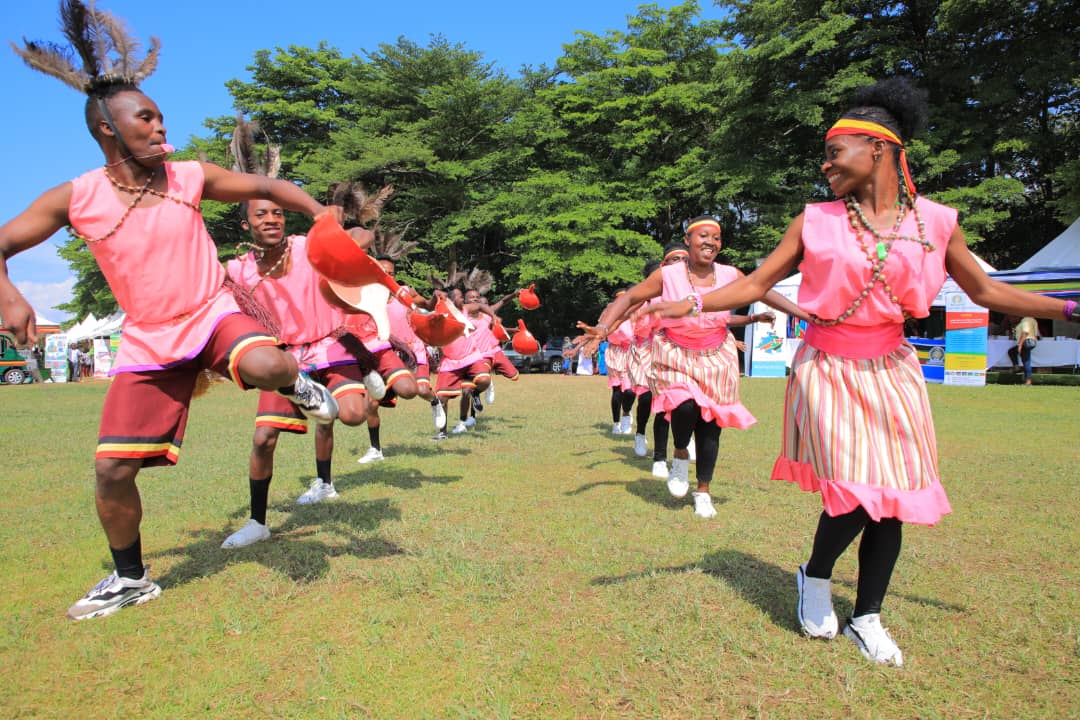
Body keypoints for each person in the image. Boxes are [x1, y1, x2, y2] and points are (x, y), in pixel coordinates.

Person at [647, 78, 1079, 665]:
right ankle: (817, 575)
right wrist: (692, 303)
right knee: (855, 489)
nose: (826, 166)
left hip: (895, 368)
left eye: (835, 152)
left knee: (896, 494)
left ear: (879, 148)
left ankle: (867, 616)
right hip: (827, 365)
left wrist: (1069, 308)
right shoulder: (816, 220)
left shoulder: (937, 221)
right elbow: (753, 285)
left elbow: (985, 289)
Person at [1, 2, 340, 619]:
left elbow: (266, 187)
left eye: (160, 117)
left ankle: (301, 384)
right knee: (110, 473)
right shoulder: (76, 197)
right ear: (108, 127)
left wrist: (320, 215)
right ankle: (130, 579)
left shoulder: (186, 176)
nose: (160, 128)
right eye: (147, 118)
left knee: (266, 365)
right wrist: (10, 293)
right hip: (149, 341)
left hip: (211, 312)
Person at [584, 217, 804, 518]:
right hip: (675, 352)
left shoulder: (730, 273)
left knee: (711, 426)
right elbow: (633, 296)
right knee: (685, 407)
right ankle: (679, 453)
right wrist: (603, 327)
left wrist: (805, 314)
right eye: (703, 236)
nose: (710, 242)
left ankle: (703, 491)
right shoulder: (668, 275)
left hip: (717, 354)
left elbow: (762, 289)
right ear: (688, 241)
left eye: (716, 238)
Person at [221, 178, 391, 547]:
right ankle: (257, 522)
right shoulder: (236, 271)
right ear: (245, 225)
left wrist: (341, 230)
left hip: (329, 345)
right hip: (285, 360)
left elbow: (360, 236)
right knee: (264, 439)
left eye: (278, 213)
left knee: (352, 415)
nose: (271, 219)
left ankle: (359, 375)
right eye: (261, 214)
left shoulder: (304, 246)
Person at [1007, 316, 1039, 385]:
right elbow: (1036, 334)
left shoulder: (1026, 320)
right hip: (1031, 341)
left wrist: (1020, 345)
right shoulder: (1033, 320)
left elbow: (1025, 332)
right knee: (1014, 352)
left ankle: (1028, 381)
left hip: (1026, 341)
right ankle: (1017, 368)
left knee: (1026, 361)